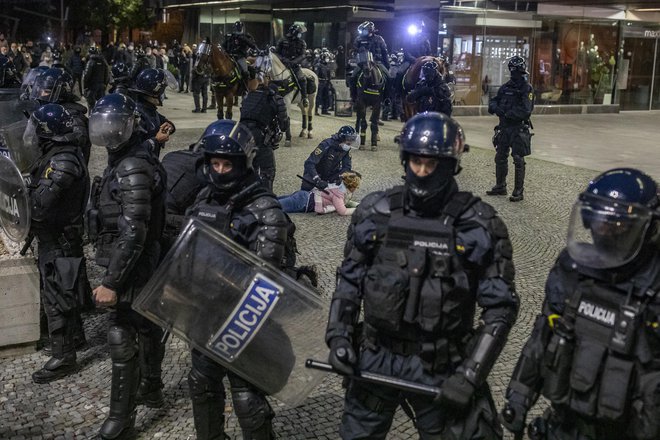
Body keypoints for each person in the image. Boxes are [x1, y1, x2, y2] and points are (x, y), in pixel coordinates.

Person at [326, 111, 519, 439]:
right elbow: (350, 279)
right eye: (416, 162)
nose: (422, 171)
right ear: (405, 160)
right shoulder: (375, 212)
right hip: (376, 355)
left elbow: (501, 308)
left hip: (441, 363)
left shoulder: (479, 224)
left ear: (451, 165)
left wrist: (471, 374)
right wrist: (339, 336)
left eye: (432, 164)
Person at [501, 167, 660, 440]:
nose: (606, 230)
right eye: (599, 220)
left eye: (618, 224)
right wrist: (519, 397)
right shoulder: (573, 270)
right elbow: (542, 337)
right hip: (564, 425)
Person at [186, 119, 292, 440]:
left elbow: (268, 275)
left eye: (226, 164)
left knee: (246, 397)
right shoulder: (204, 198)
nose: (219, 170)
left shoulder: (266, 210)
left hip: (245, 318)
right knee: (201, 384)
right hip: (205, 314)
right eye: (214, 163)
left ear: (242, 163)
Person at [87, 93, 169, 439]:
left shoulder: (133, 165)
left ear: (130, 126)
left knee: (122, 332)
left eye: (114, 126)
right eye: (103, 125)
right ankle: (151, 387)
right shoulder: (126, 156)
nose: (108, 133)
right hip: (137, 258)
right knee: (147, 324)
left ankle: (121, 421)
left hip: (134, 262)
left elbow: (134, 230)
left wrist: (112, 282)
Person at [24, 104, 90, 384]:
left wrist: (25, 195)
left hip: (59, 239)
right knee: (64, 291)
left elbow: (40, 207)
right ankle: (75, 337)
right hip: (57, 238)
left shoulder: (63, 162)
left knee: (57, 297)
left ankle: (64, 356)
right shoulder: (59, 155)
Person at [486, 55, 534, 202]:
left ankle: (518, 190)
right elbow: (494, 101)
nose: (514, 75)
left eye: (516, 72)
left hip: (518, 128)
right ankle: (501, 186)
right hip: (504, 128)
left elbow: (526, 110)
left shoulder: (526, 88)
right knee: (500, 157)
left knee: (518, 159)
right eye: (513, 72)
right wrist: (496, 109)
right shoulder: (506, 87)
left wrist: (507, 113)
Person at [239, 73, 289, 192]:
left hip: (242, 134)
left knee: (249, 169)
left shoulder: (248, 96)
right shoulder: (276, 98)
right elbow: (284, 125)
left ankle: (249, 196)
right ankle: (266, 198)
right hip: (260, 136)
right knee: (268, 171)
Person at [30, 67, 92, 164]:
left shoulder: (72, 116)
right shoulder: (51, 112)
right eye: (40, 90)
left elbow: (78, 142)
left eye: (46, 91)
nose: (41, 94)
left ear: (62, 92)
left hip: (63, 170)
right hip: (47, 165)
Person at [130, 68, 175, 158]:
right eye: (163, 90)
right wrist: (156, 140)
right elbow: (133, 152)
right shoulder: (136, 116)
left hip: (149, 165)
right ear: (156, 90)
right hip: (138, 168)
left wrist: (170, 126)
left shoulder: (149, 110)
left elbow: (165, 122)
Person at [278, 170, 361, 215]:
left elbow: (344, 202)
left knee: (273, 201)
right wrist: (358, 210)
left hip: (304, 196)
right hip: (303, 203)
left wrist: (357, 204)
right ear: (352, 187)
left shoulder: (337, 185)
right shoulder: (339, 195)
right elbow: (343, 211)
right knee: (273, 206)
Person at [300, 125, 357, 191]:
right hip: (317, 173)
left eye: (353, 139)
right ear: (342, 138)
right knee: (307, 184)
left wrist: (341, 177)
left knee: (352, 177)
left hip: (331, 175)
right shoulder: (326, 145)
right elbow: (309, 163)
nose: (351, 142)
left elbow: (346, 167)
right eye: (350, 139)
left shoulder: (346, 149)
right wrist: (317, 179)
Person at [350, 21, 389, 103]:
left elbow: (384, 53)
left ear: (370, 30)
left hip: (378, 62)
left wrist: (387, 65)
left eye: (363, 30)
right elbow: (354, 51)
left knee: (389, 77)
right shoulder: (359, 39)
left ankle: (387, 98)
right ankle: (353, 97)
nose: (362, 32)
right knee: (353, 77)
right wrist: (356, 55)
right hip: (363, 63)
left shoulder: (379, 39)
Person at [276, 23, 309, 106]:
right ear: (294, 32)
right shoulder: (282, 40)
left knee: (302, 79)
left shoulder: (302, 43)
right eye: (299, 33)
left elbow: (303, 55)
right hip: (281, 64)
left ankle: (304, 98)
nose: (300, 35)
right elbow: (276, 53)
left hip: (294, 66)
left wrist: (294, 62)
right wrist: (283, 59)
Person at [222, 20, 257, 89]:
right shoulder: (229, 37)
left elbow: (252, 45)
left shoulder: (245, 37)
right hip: (229, 57)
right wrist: (225, 52)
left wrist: (251, 40)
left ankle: (245, 89)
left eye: (239, 28)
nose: (238, 29)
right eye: (237, 28)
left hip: (240, 58)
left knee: (245, 72)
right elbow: (223, 46)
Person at [82, 46, 109, 111]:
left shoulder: (90, 62)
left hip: (91, 87)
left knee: (91, 106)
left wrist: (85, 86)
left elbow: (86, 75)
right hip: (102, 86)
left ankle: (92, 119)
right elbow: (107, 74)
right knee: (102, 105)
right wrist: (105, 84)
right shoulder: (103, 61)